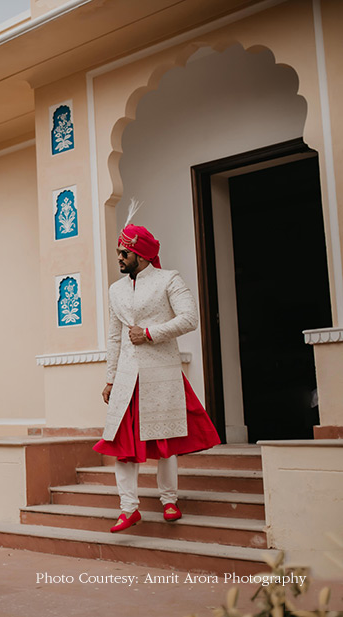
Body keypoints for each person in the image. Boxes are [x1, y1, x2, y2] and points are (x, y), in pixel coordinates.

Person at [96, 222, 221, 533]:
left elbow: (189, 318)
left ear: (141, 254)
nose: (119, 257)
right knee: (122, 445)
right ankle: (128, 508)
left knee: (165, 441)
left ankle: (169, 500)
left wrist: (150, 333)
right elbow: (114, 336)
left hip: (161, 371)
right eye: (118, 251)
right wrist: (110, 378)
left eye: (124, 252)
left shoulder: (169, 280)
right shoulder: (116, 289)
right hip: (127, 375)